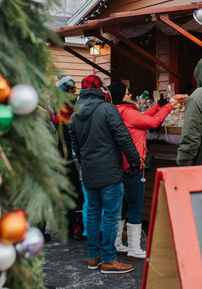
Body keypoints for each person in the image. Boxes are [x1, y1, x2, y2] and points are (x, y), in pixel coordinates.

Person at [69, 74, 141, 274]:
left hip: (89, 171)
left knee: (92, 213)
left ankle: (94, 257)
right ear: (100, 89)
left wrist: (85, 165)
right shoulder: (108, 109)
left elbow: (75, 146)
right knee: (110, 215)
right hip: (110, 171)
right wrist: (135, 161)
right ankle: (109, 259)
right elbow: (123, 137)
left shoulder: (75, 114)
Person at [107, 83, 173, 259]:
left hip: (120, 165)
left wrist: (157, 106)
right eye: (128, 93)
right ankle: (134, 248)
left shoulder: (118, 111)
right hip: (134, 166)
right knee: (136, 207)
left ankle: (118, 243)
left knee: (122, 207)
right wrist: (169, 105)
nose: (130, 95)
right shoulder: (127, 112)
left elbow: (141, 118)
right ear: (121, 96)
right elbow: (152, 123)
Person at [53, 74, 84, 240]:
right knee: (77, 192)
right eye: (72, 89)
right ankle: (76, 226)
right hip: (73, 158)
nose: (75, 91)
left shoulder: (58, 115)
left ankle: (70, 227)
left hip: (64, 158)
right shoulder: (74, 112)